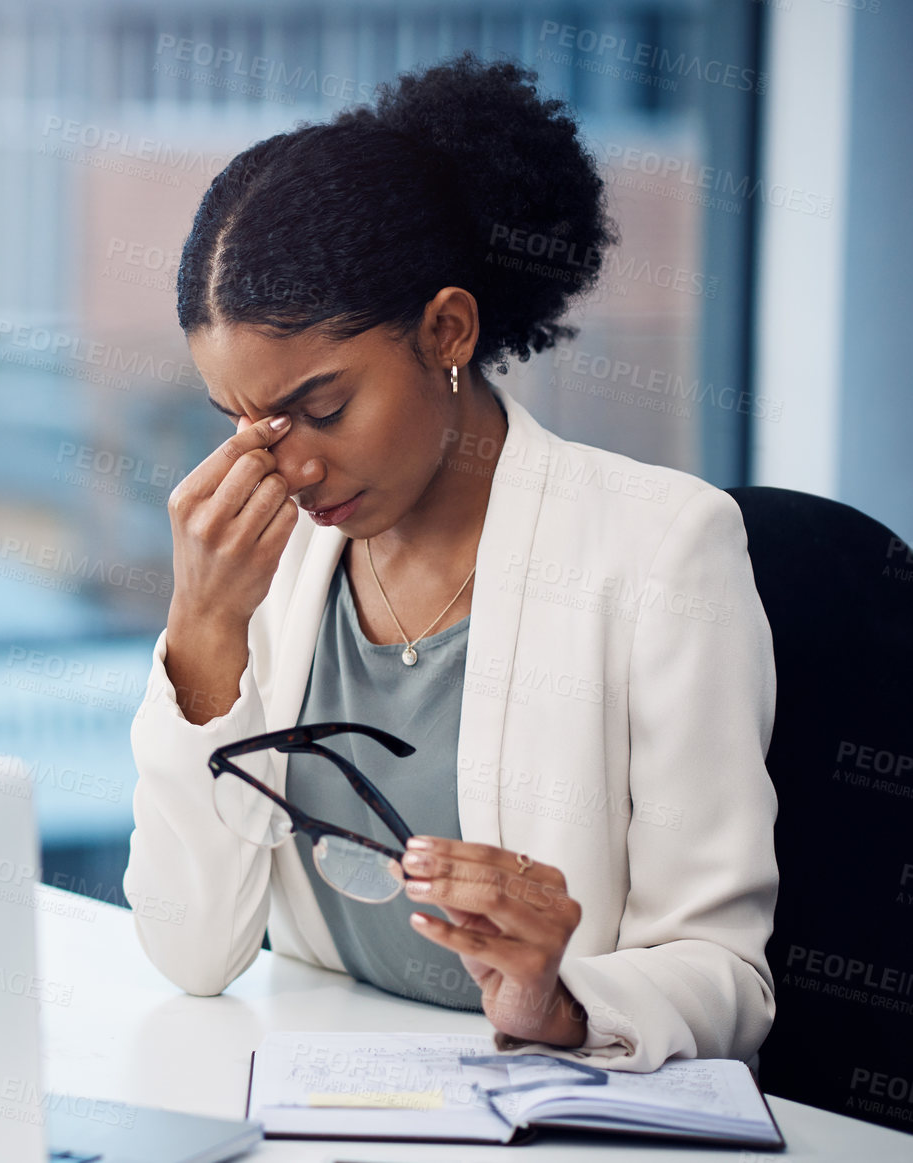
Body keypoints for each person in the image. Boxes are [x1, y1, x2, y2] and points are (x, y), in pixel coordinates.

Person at [121, 54, 777, 1072]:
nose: (286, 466)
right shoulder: (265, 563)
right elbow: (192, 949)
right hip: (321, 1107)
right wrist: (201, 635)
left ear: (447, 330)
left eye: (324, 407)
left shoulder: (659, 548)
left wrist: (560, 1001)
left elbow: (727, 975)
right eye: (245, 424)